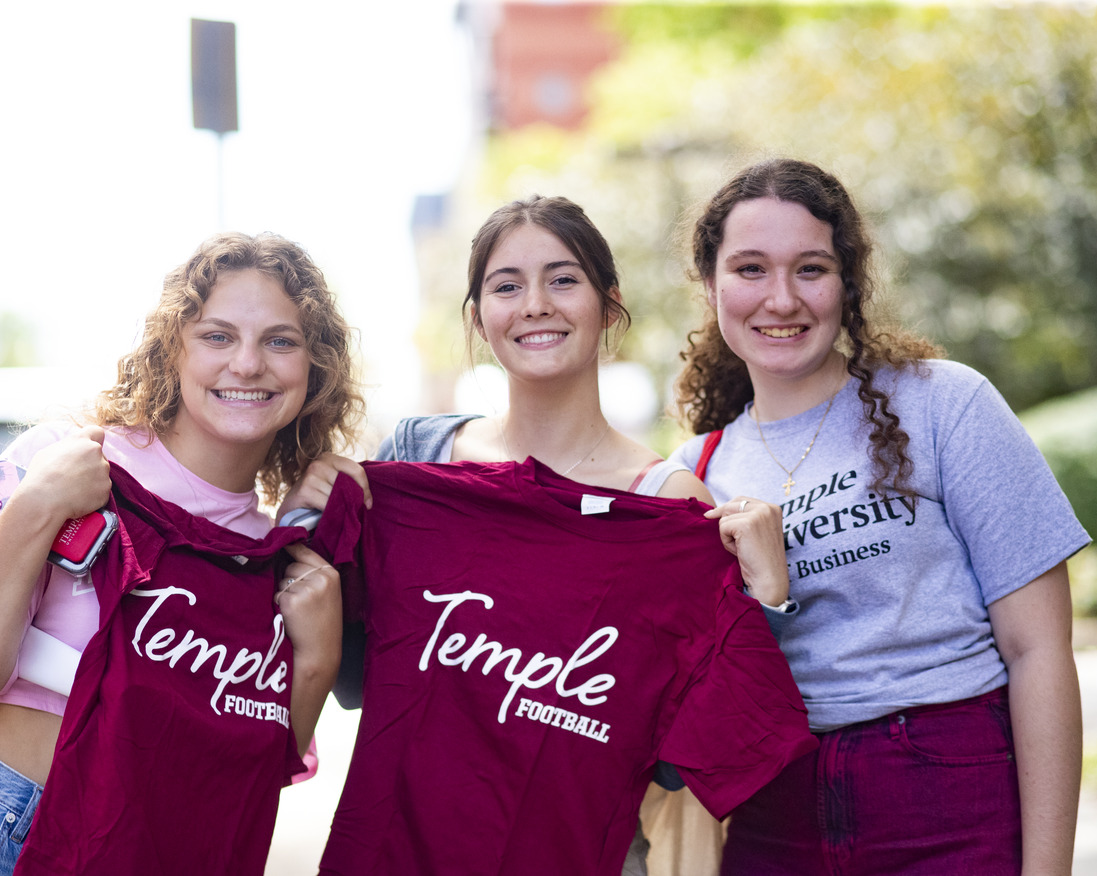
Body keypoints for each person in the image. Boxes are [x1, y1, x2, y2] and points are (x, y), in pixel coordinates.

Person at [293, 195, 810, 875]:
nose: (535, 303)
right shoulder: (417, 458)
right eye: (506, 286)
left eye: (563, 280)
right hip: (398, 849)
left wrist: (763, 602)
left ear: (608, 305)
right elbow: (360, 678)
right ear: (479, 318)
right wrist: (309, 524)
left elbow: (683, 756)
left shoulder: (667, 509)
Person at [0, 231, 363, 876]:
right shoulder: (67, 465)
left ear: (314, 370)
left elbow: (238, 779)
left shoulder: (276, 560)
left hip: (139, 849)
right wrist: (34, 510)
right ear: (170, 349)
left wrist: (317, 658)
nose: (247, 363)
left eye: (280, 341)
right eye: (216, 336)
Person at [669, 157, 1089, 876]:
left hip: (950, 795)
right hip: (777, 819)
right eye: (749, 270)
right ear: (709, 287)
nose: (780, 299)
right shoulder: (693, 475)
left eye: (809, 268)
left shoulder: (941, 404)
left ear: (846, 282)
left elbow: (1039, 652)